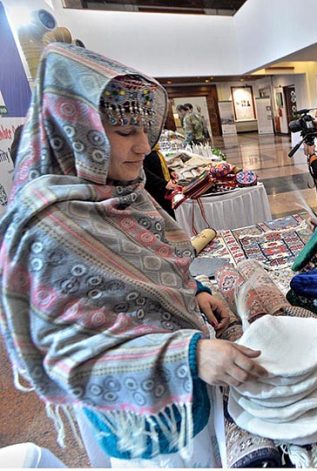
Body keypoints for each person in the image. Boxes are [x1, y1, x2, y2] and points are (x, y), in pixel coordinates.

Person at [0, 43, 267, 466]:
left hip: (191, 394)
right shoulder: (46, 229)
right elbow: (70, 359)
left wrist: (193, 291)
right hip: (143, 424)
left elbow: (151, 270)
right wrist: (189, 356)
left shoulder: (124, 191)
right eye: (125, 133)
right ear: (77, 133)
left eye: (145, 130)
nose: (144, 146)